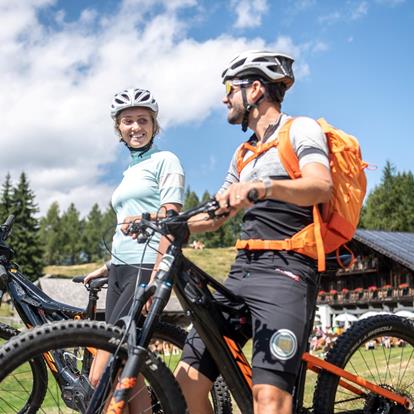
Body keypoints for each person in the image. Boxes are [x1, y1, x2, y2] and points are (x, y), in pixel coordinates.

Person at [174, 50, 332, 414]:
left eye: (230, 88)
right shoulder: (242, 153)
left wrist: (264, 187)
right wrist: (173, 225)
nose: (224, 97)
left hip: (286, 271)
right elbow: (217, 213)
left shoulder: (301, 129)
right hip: (240, 273)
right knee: (186, 386)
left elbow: (320, 185)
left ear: (256, 89)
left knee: (268, 400)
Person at [84, 88, 185, 410]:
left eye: (143, 120)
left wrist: (157, 276)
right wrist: (108, 265)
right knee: (127, 368)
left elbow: (172, 219)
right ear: (119, 129)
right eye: (128, 121)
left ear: (155, 126)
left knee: (101, 374)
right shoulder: (131, 169)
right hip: (122, 269)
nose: (135, 127)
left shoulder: (166, 160)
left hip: (147, 268)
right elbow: (125, 226)